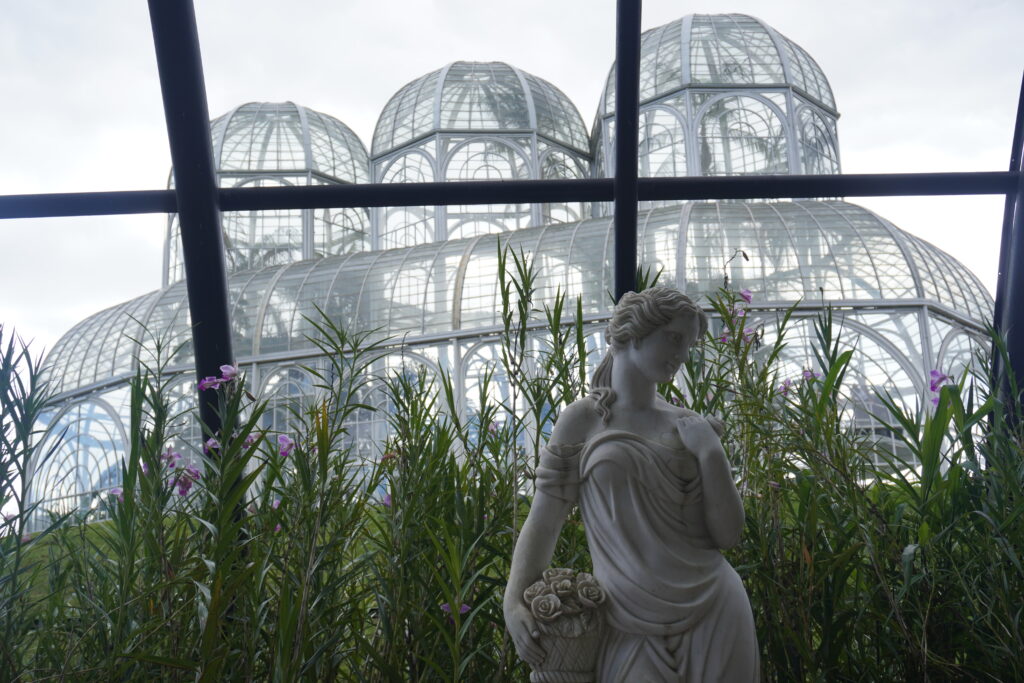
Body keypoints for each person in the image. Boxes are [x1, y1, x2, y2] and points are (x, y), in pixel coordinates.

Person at [503, 286, 759, 681]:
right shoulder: (582, 421)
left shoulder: (690, 426)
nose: (682, 354)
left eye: (688, 344)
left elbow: (728, 535)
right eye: (673, 338)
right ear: (635, 332)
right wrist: (513, 601)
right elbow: (545, 520)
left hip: (716, 608)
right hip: (626, 620)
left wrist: (711, 453)